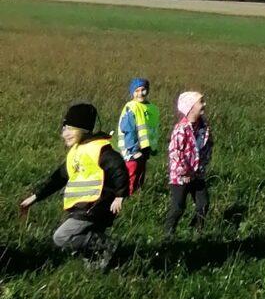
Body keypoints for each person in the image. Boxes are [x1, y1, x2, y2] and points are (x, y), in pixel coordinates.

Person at [18, 102, 126, 268]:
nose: (64, 134)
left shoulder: (99, 150)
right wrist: (36, 196)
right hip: (84, 207)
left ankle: (106, 246)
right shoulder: (77, 152)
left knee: (61, 237)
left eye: (70, 129)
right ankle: (104, 265)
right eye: (64, 129)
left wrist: (120, 195)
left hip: (96, 206)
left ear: (83, 129)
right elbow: (58, 178)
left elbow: (118, 167)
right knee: (90, 255)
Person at [166, 90, 213, 237]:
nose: (204, 104)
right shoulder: (181, 129)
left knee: (203, 204)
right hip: (180, 176)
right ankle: (168, 232)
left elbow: (208, 145)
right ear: (190, 107)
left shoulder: (204, 126)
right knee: (178, 207)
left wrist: (203, 163)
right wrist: (184, 172)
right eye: (201, 102)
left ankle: (197, 230)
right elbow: (176, 152)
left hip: (197, 173)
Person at [116, 77, 161, 194]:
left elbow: (152, 129)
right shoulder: (132, 107)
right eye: (137, 91)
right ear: (132, 92)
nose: (140, 93)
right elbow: (128, 131)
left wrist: (153, 147)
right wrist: (133, 150)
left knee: (140, 176)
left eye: (143, 90)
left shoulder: (153, 108)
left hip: (144, 148)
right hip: (131, 150)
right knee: (132, 175)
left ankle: (137, 195)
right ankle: (126, 199)